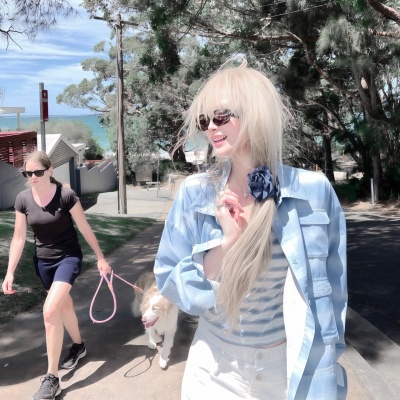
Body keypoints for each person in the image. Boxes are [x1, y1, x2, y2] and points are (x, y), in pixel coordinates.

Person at [154, 58, 347, 399]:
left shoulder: (314, 191)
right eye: (204, 120)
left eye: (221, 116)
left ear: (256, 114)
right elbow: (172, 286)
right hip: (214, 368)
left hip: (288, 368)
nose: (211, 128)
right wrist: (226, 244)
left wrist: (328, 367)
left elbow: (334, 291)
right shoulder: (195, 193)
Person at [1, 150, 111, 400]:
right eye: (27, 173)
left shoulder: (66, 195)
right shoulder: (23, 199)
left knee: (50, 311)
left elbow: (84, 227)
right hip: (43, 262)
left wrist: (101, 258)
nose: (33, 177)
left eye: (38, 172)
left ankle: (52, 378)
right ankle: (79, 346)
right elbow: (18, 238)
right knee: (64, 306)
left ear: (50, 170)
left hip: (68, 258)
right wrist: (9, 272)